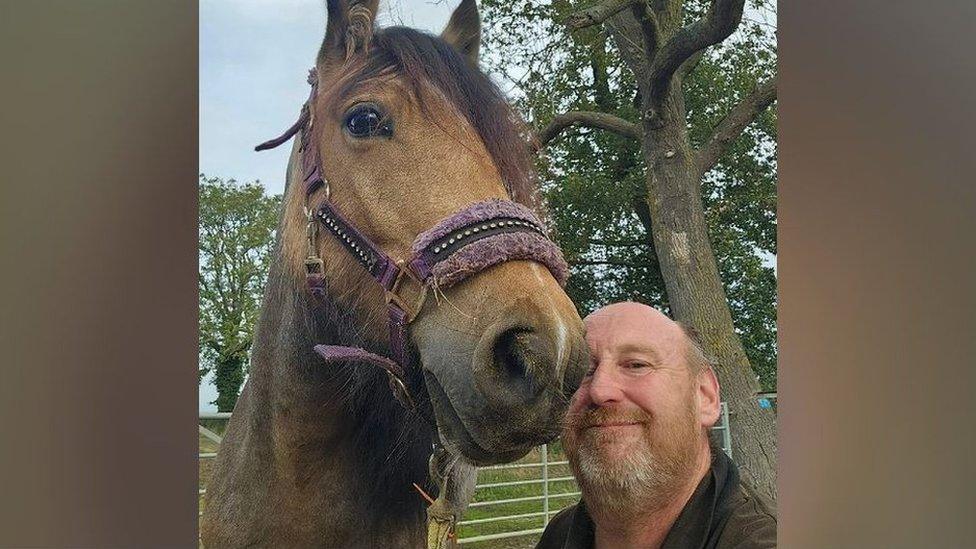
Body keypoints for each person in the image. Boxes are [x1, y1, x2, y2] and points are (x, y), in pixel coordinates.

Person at [536, 302, 776, 549]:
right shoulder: (559, 535)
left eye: (636, 365)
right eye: (583, 371)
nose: (599, 390)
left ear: (705, 397)